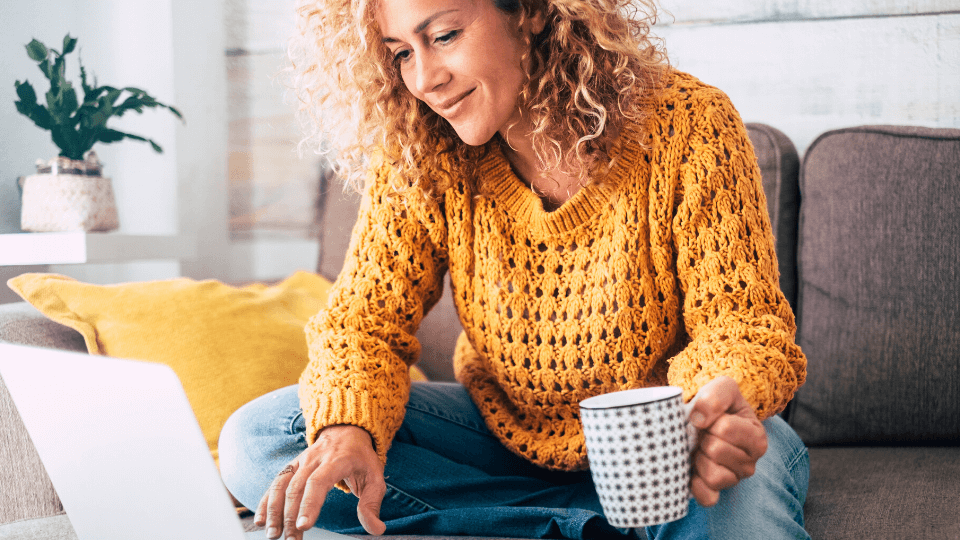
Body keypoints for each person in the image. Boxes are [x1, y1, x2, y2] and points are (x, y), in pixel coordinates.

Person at [218, 0, 811, 537]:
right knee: (263, 439)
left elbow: (743, 326)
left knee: (742, 502)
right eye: (401, 52)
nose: (425, 79)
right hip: (504, 441)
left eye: (445, 35)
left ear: (528, 10)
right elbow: (362, 324)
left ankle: (514, 523)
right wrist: (348, 428)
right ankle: (585, 526)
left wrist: (707, 412)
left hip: (665, 445)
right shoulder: (425, 152)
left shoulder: (689, 124)